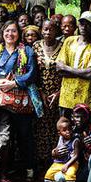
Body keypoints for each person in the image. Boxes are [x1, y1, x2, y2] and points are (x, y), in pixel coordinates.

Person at [0, 22, 38, 181]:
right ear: (3, 33)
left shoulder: (26, 51)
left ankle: (29, 168)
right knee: (4, 137)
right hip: (1, 102)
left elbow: (32, 74)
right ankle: (4, 170)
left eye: (14, 31)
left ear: (19, 34)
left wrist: (14, 83)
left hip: (20, 101)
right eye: (7, 31)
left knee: (24, 136)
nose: (10, 34)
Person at [56, 11, 91, 116]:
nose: (84, 27)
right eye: (82, 23)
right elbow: (59, 69)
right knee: (64, 125)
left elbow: (90, 73)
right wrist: (81, 73)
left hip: (85, 99)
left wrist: (66, 68)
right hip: (66, 98)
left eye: (88, 24)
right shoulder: (69, 41)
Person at [33, 20, 64, 163]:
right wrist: (41, 92)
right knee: (40, 128)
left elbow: (67, 73)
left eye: (51, 29)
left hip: (59, 94)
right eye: (45, 29)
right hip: (39, 94)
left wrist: (59, 93)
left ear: (56, 31)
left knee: (57, 127)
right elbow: (32, 71)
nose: (48, 32)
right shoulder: (36, 46)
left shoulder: (63, 47)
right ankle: (42, 162)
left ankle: (57, 160)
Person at [39, 116, 82, 182]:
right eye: (64, 130)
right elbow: (56, 149)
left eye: (69, 129)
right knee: (49, 173)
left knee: (70, 174)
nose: (68, 131)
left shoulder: (75, 140)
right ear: (59, 133)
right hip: (59, 162)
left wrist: (67, 165)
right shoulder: (60, 139)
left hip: (71, 162)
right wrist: (55, 152)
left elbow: (76, 155)